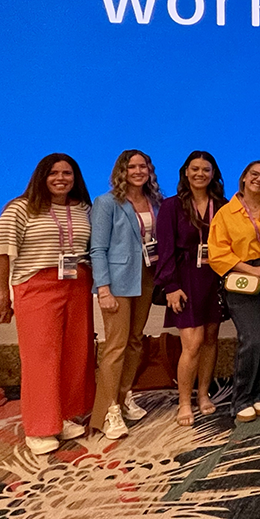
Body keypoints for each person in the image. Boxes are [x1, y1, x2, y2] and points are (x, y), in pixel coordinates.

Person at [0, 154, 95, 455]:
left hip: (77, 283)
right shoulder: (20, 208)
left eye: (68, 173)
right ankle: (40, 427)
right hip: (37, 286)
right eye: (54, 173)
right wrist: (3, 295)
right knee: (40, 357)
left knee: (75, 353)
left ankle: (64, 415)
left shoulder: (83, 208)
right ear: (41, 176)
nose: (61, 178)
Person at [89, 149, 163, 439]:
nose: (137, 171)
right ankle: (108, 410)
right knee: (116, 345)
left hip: (146, 277)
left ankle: (123, 395)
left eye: (142, 166)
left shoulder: (154, 202)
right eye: (131, 166)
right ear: (122, 171)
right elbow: (97, 249)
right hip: (117, 282)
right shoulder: (107, 203)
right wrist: (103, 289)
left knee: (134, 342)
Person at [208, 160, 260, 423]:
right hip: (242, 277)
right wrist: (251, 270)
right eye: (254, 174)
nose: (259, 180)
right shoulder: (225, 214)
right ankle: (240, 399)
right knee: (250, 338)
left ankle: (257, 391)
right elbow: (218, 254)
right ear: (243, 178)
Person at [155, 151, 227, 427]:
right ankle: (184, 401)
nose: (200, 174)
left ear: (213, 174)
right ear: (186, 172)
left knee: (210, 339)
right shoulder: (171, 206)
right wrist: (170, 285)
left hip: (214, 278)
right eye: (194, 169)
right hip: (184, 279)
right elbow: (165, 249)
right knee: (192, 343)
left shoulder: (222, 204)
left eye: (206, 170)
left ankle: (204, 394)